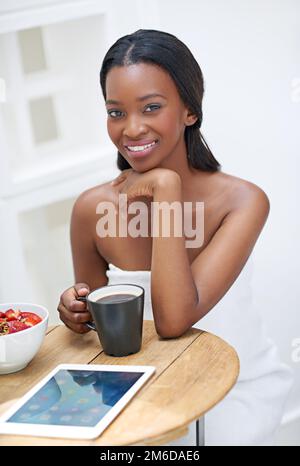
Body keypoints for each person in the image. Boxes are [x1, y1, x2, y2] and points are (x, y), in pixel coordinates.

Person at [57, 29, 293, 445]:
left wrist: (166, 189)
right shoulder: (91, 210)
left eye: (151, 107)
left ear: (189, 110)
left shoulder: (242, 201)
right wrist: (78, 314)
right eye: (116, 112)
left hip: (235, 391)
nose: (131, 129)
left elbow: (173, 319)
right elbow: (101, 340)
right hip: (147, 394)